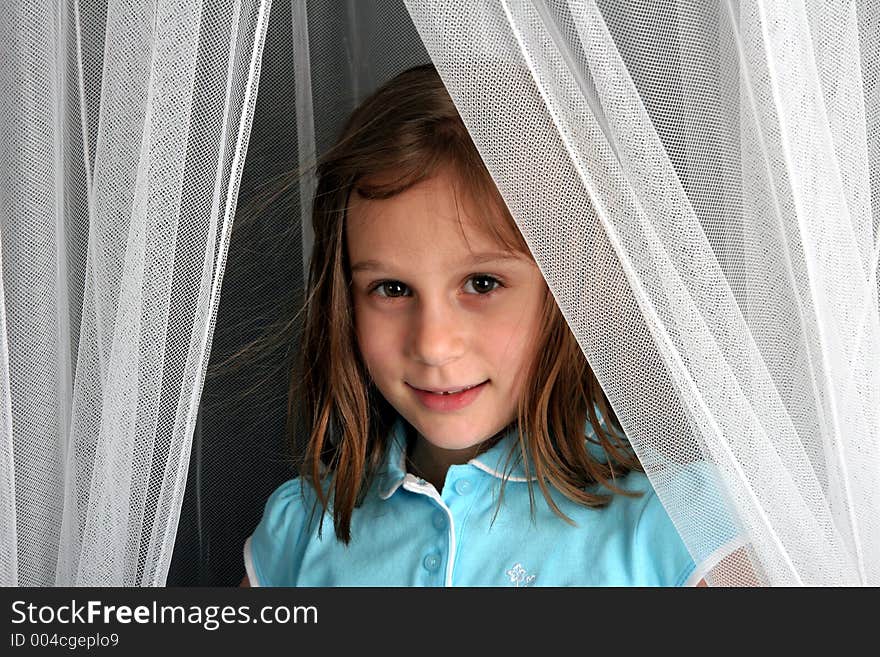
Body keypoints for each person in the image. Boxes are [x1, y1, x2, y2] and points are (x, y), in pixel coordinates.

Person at [240, 63, 711, 587]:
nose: (434, 345)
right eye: (392, 290)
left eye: (482, 284)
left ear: (567, 286)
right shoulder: (302, 528)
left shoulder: (677, 525)